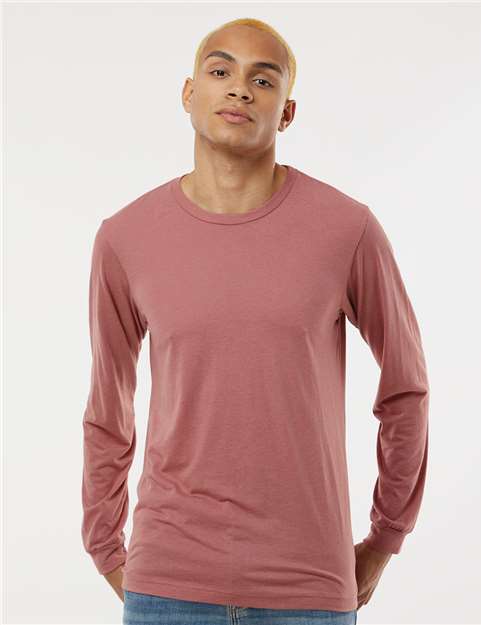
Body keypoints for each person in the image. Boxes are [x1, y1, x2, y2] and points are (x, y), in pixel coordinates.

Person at [81, 16, 429, 625]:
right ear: (189, 93)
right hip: (168, 585)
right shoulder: (125, 238)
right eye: (220, 71)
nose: (239, 88)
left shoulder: (346, 229)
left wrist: (385, 537)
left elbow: (406, 388)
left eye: (262, 80)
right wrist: (105, 547)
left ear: (286, 113)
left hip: (308, 588)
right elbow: (109, 408)